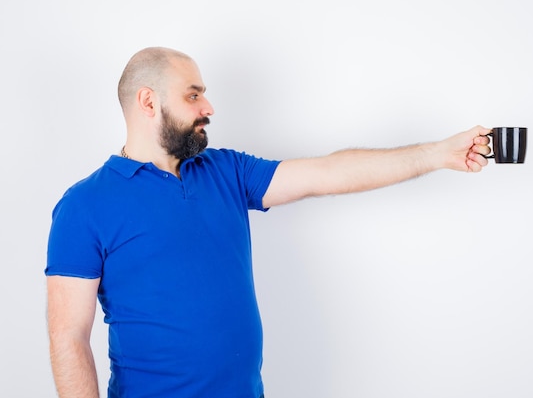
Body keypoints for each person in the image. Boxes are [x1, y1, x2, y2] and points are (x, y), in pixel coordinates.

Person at [45, 46, 492, 398]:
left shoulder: (225, 172)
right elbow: (69, 338)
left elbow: (328, 174)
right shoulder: (85, 206)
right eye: (193, 94)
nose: (210, 106)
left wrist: (438, 153)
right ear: (148, 101)